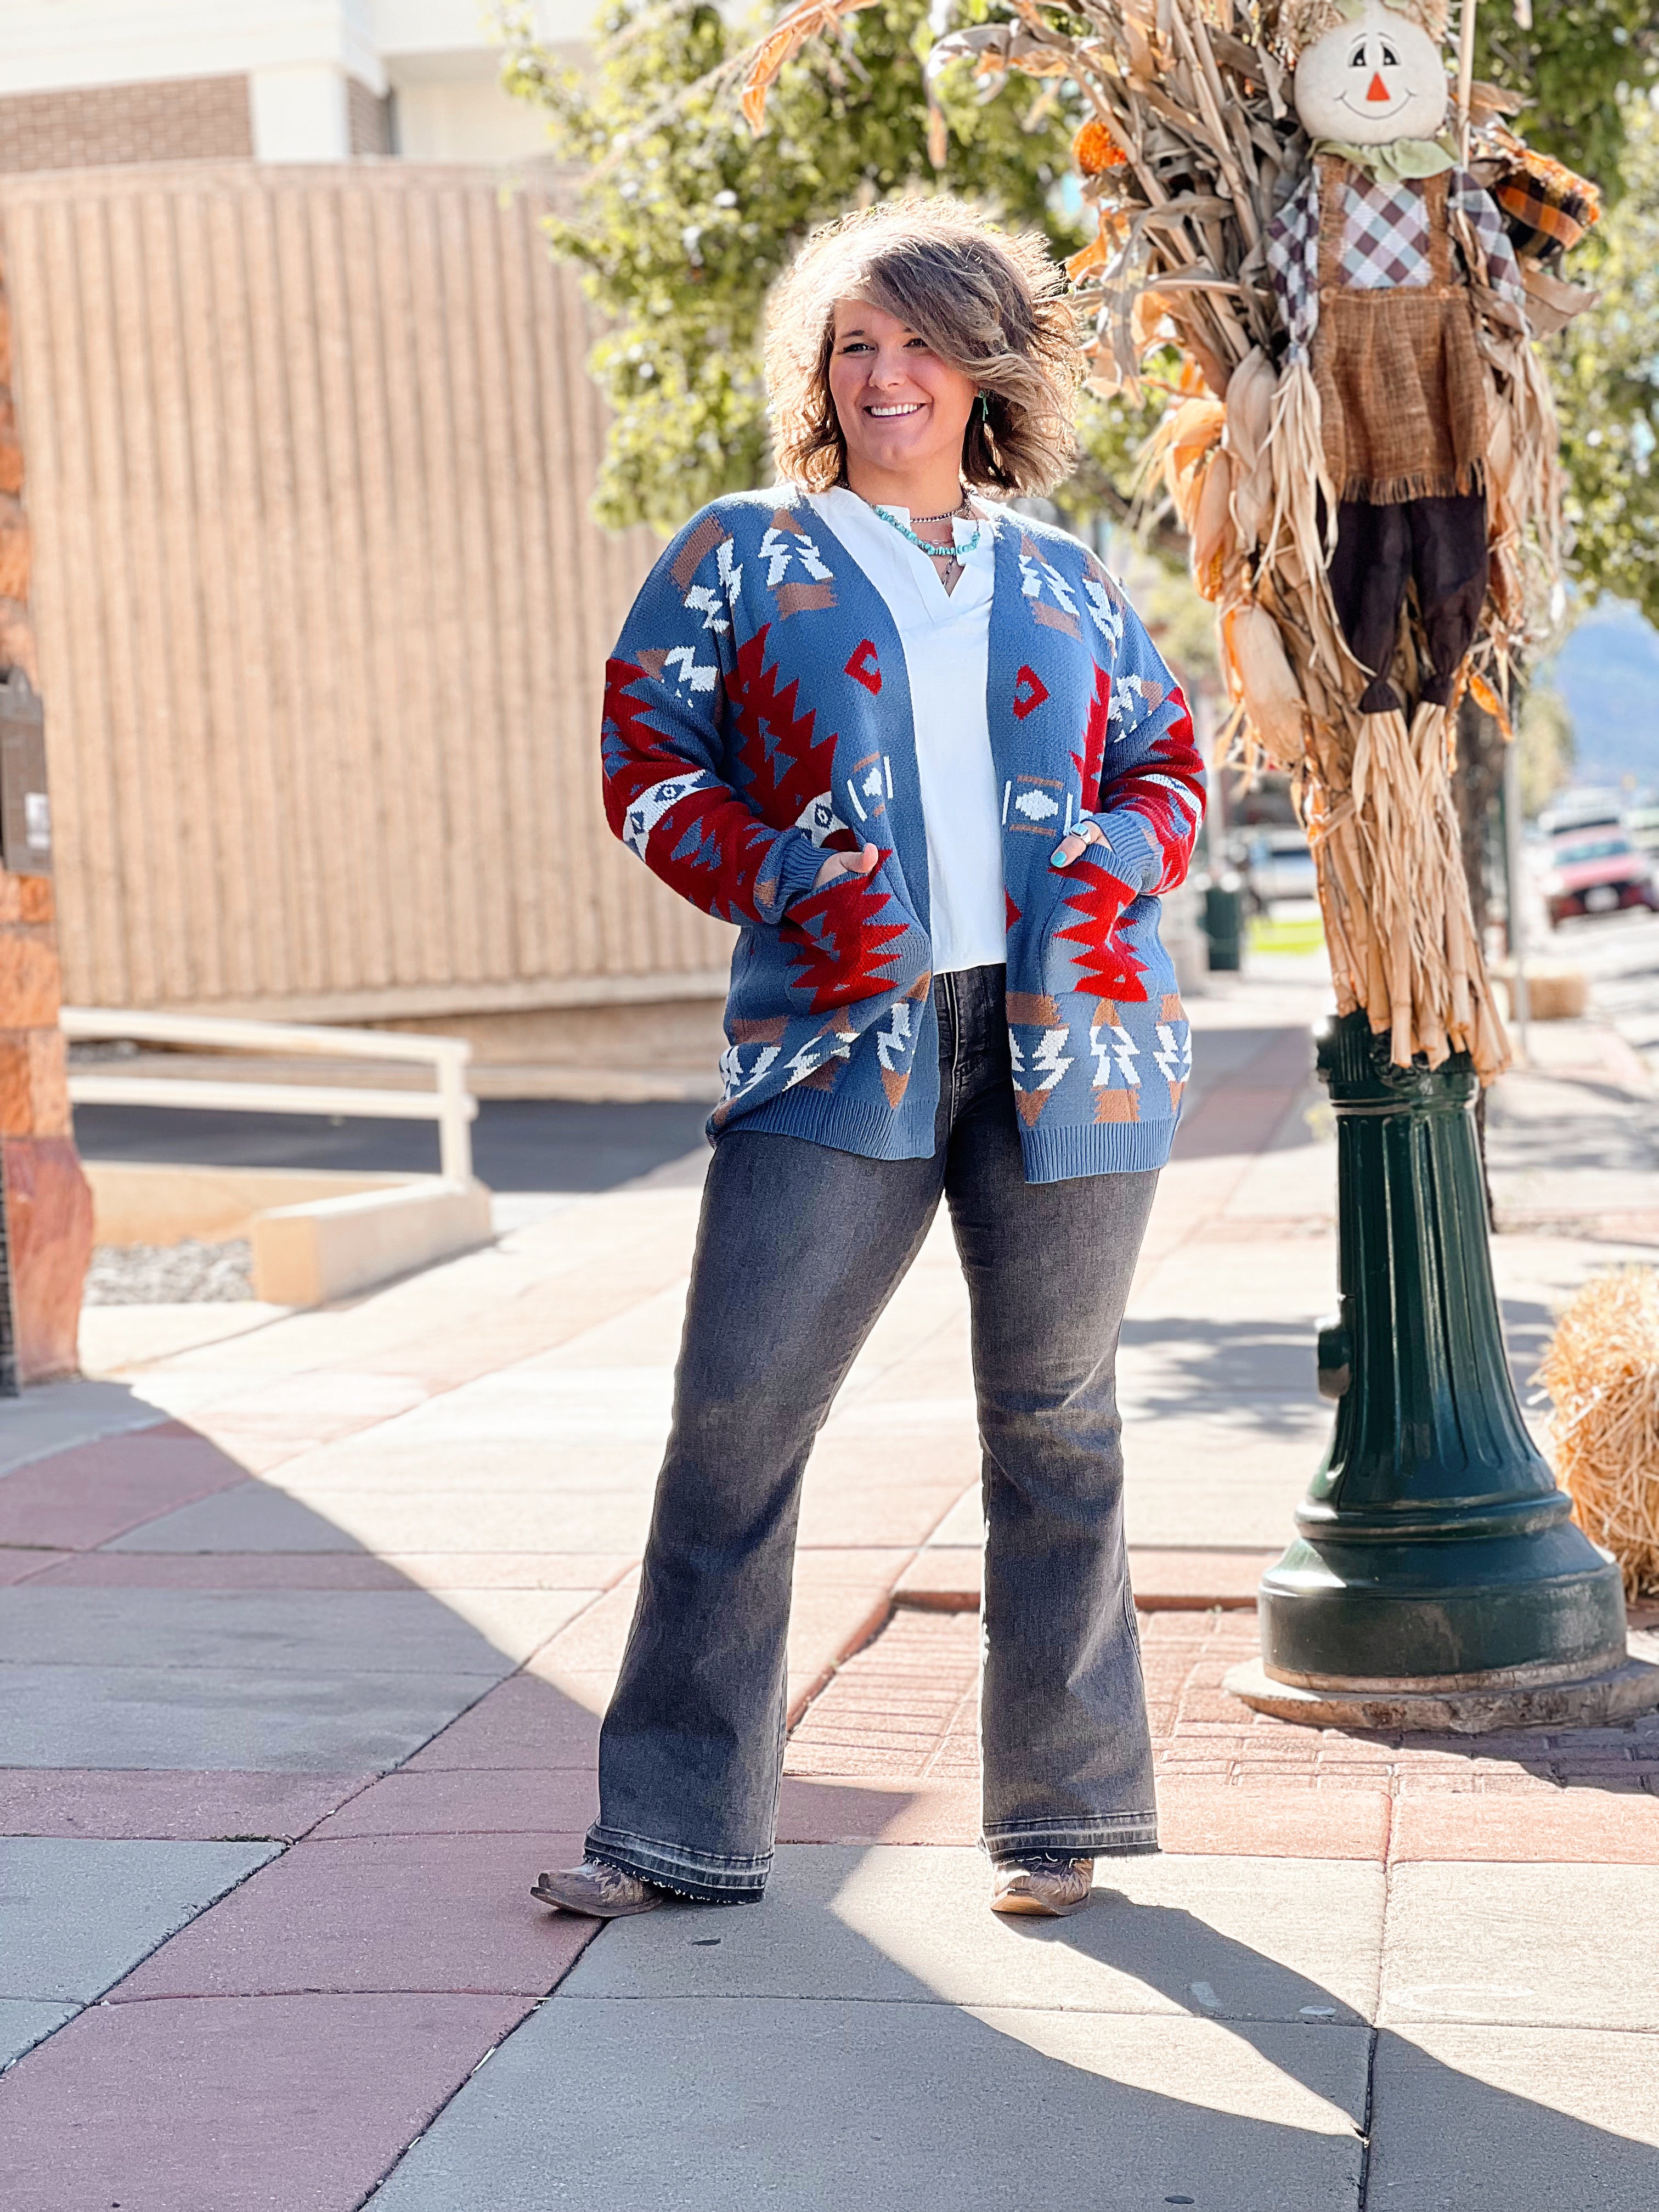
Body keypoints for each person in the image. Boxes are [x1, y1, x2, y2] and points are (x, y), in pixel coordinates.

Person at [533, 196, 1204, 1924]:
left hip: (1074, 1036)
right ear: (819, 379)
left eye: (916, 342)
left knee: (1057, 1425)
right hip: (843, 1029)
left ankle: (1065, 1819)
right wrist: (780, 874)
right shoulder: (738, 552)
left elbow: (1168, 763)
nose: (883, 373)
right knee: (739, 1419)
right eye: (854, 345)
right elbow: (648, 757)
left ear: (986, 366)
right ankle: (674, 1830)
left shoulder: (1062, 569)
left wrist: (1120, 860)